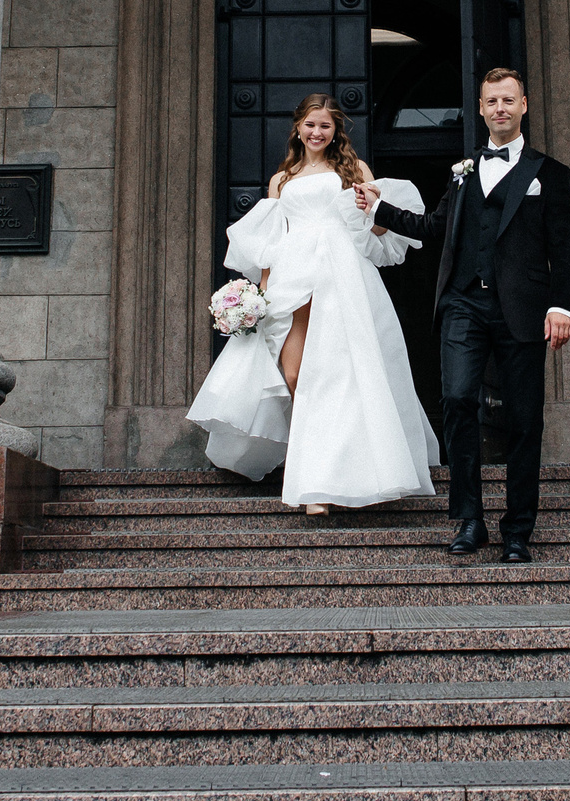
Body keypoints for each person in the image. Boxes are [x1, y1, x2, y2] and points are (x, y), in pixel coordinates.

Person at [359, 68, 570, 563]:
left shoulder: (551, 173)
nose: (499, 108)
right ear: (480, 108)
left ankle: (517, 529)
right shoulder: (464, 170)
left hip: (522, 309)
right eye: (491, 101)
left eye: (508, 100)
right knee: (457, 400)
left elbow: (564, 248)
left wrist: (560, 305)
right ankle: (470, 519)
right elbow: (434, 226)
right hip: (463, 303)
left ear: (524, 105)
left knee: (523, 419)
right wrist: (380, 209)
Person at [187, 93, 437, 514]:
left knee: (343, 374)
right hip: (292, 273)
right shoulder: (282, 179)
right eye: (310, 124)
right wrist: (258, 298)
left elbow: (376, 230)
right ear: (298, 128)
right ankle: (321, 468)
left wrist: (372, 214)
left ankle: (321, 484)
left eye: (325, 125)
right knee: (294, 372)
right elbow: (270, 243)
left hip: (342, 272)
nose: (317, 132)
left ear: (335, 130)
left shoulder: (354, 170)